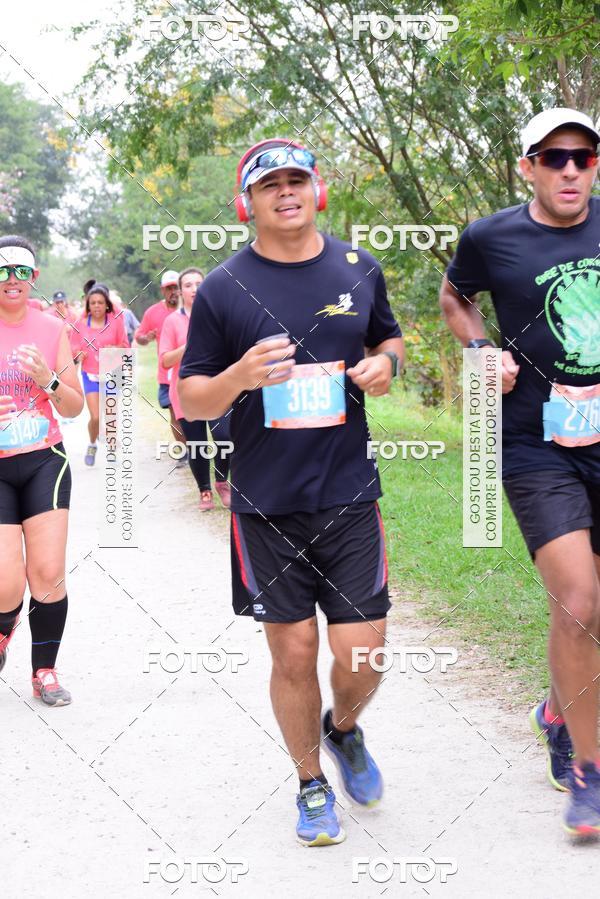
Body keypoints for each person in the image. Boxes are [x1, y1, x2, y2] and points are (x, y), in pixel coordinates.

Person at [179, 139, 403, 845]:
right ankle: (310, 784)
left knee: (364, 653)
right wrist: (239, 376)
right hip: (265, 504)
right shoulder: (224, 287)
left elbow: (391, 341)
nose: (285, 192)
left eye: (296, 180)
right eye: (268, 184)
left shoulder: (358, 268)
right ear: (247, 202)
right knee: (295, 653)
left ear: (317, 190)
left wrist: (384, 366)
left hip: (349, 495)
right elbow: (191, 398)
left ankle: (345, 729)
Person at [439, 107, 600, 836]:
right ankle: (588, 773)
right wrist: (480, 350)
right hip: (535, 441)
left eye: (583, 157)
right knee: (578, 600)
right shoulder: (491, 236)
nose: (570, 169)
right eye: (554, 157)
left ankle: (558, 711)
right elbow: (454, 296)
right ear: (528, 166)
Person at [0, 235, 84, 705]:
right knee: (4, 584)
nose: (11, 280)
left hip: (43, 461)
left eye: (20, 271)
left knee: (48, 573)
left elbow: (72, 405)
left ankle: (44, 672)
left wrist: (46, 380)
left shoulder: (52, 329)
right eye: (2, 270)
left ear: (33, 277)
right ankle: (3, 628)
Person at [159, 268, 231, 510]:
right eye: (188, 285)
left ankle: (222, 482)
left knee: (224, 436)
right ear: (180, 291)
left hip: (217, 387)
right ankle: (205, 491)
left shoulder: (218, 315)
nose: (194, 289)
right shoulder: (172, 321)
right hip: (185, 391)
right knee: (197, 443)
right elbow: (165, 360)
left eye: (199, 284)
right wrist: (190, 345)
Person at [71, 282, 129, 466]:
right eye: (93, 303)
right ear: (88, 305)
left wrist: (115, 348)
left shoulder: (116, 322)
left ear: (106, 305)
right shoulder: (80, 324)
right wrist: (78, 355)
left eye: (100, 302)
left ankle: (112, 450)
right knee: (95, 417)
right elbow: (73, 350)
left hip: (112, 372)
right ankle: (92, 444)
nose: (96, 306)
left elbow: (126, 346)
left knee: (110, 415)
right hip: (90, 374)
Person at [135, 270, 180, 442]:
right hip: (167, 374)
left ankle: (195, 450)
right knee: (175, 414)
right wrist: (146, 338)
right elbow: (139, 337)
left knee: (194, 417)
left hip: (191, 371)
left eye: (176, 287)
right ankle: (185, 452)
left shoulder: (192, 309)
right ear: (162, 290)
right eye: (169, 288)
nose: (173, 292)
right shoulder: (153, 312)